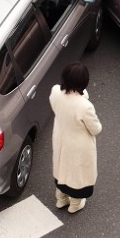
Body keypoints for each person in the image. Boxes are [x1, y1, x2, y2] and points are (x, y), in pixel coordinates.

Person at [49, 62, 102, 214]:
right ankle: (74, 204)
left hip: (61, 139)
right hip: (79, 146)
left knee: (62, 169)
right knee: (77, 175)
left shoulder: (55, 93)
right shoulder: (85, 106)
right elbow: (96, 129)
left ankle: (61, 199)